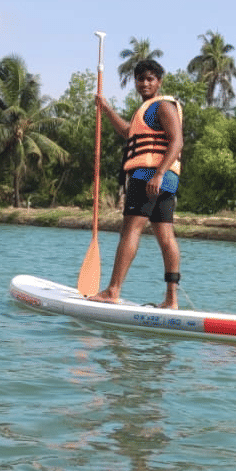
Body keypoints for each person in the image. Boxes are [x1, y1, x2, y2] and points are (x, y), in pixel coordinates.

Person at [89, 59, 184, 309]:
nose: (144, 83)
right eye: (140, 79)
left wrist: (158, 173)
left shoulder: (163, 106)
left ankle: (113, 290)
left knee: (130, 230)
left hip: (150, 177)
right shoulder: (146, 111)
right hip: (163, 179)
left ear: (159, 82)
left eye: (150, 79)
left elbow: (177, 142)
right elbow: (129, 132)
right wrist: (107, 109)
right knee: (165, 234)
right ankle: (171, 301)